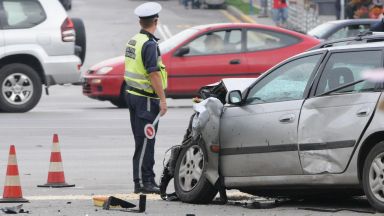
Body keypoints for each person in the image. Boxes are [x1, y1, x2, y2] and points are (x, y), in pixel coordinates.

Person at [124, 2, 168, 194]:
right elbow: (154, 74)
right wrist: (163, 99)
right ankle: (144, 182)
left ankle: (143, 180)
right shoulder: (150, 45)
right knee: (146, 141)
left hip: (133, 95)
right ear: (155, 21)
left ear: (141, 21)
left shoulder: (134, 40)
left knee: (142, 140)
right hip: (146, 100)